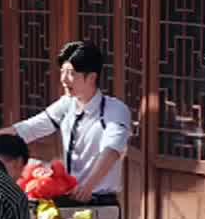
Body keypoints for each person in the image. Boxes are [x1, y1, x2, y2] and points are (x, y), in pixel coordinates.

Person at [13, 40, 133, 205]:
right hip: (68, 197)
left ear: (91, 77)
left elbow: (111, 150)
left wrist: (88, 185)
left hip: (98, 200)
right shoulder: (67, 104)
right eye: (62, 72)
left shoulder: (115, 110)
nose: (64, 79)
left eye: (71, 73)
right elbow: (28, 128)